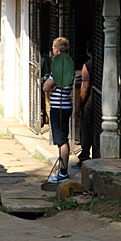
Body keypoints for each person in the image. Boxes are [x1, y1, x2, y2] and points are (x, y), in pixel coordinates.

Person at [43, 37, 74, 183]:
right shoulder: (69, 65)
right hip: (66, 104)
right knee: (62, 138)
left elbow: (46, 87)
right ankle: (62, 170)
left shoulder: (59, 66)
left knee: (61, 140)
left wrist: (50, 86)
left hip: (58, 106)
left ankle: (63, 171)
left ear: (56, 50)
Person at [75, 40, 96, 167]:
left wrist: (79, 105)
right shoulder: (102, 63)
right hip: (100, 103)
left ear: (88, 52)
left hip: (89, 103)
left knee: (86, 131)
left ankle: (84, 155)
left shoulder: (88, 65)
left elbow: (85, 85)